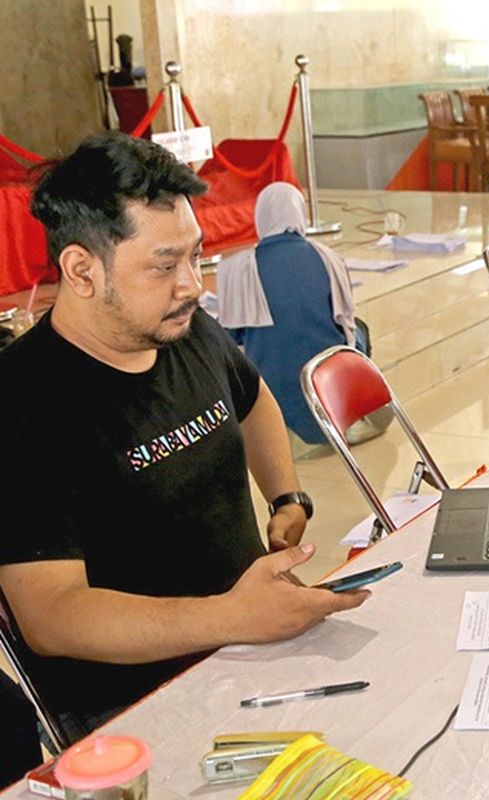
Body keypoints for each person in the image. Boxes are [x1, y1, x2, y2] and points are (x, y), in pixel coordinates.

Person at [0, 132, 368, 742]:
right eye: (165, 265)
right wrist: (230, 617)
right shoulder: (23, 404)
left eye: (196, 257)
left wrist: (286, 497)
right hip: (135, 700)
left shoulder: (182, 328)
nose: (192, 285)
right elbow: (52, 616)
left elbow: (253, 401)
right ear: (81, 270)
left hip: (250, 640)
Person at [219, 182, 376, 447]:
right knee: (359, 328)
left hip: (267, 396)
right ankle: (353, 411)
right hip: (329, 392)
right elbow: (346, 329)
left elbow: (232, 339)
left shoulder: (237, 268)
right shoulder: (329, 257)